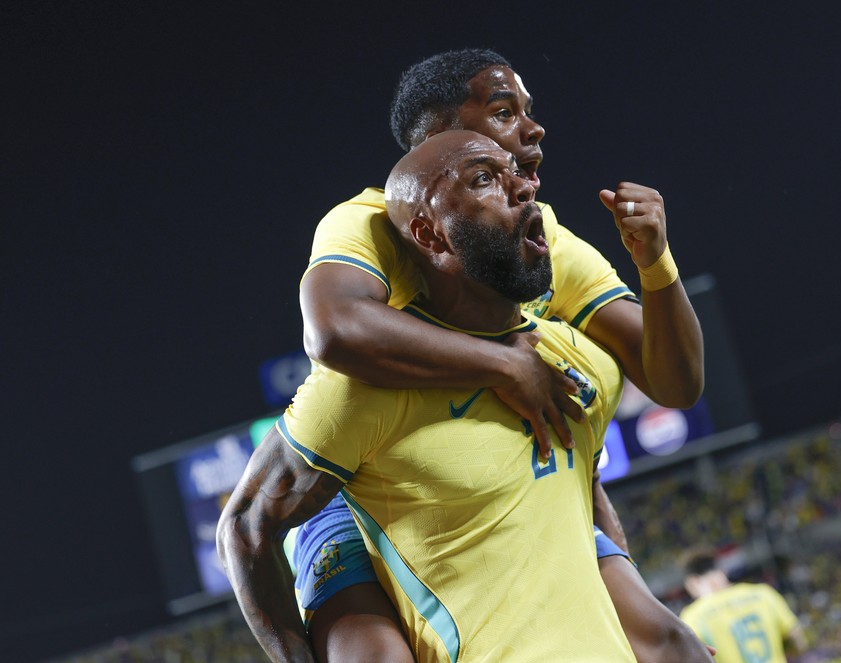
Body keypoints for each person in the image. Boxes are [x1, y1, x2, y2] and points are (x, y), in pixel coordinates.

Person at [293, 48, 709, 662]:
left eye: (528, 111)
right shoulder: (370, 223)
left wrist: (655, 264)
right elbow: (333, 327)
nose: (534, 128)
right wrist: (505, 363)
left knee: (672, 645)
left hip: (498, 475)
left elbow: (674, 383)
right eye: (504, 110)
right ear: (442, 136)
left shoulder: (543, 234)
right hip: (367, 485)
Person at [219, 130, 656, 661]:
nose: (523, 184)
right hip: (347, 517)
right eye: (484, 177)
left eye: (515, 172)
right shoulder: (369, 378)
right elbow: (246, 525)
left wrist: (657, 263)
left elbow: (593, 467)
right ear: (429, 234)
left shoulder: (577, 360)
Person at [680, 549, 808, 663]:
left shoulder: (692, 616)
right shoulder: (763, 594)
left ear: (692, 582)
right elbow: (798, 641)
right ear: (721, 572)